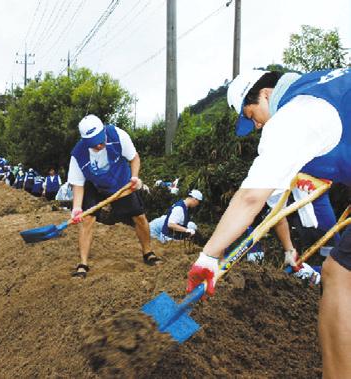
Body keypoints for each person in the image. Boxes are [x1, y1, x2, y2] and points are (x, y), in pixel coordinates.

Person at [185, 68, 351, 378]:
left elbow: (250, 199)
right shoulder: (320, 83)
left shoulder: (293, 116)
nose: (257, 125)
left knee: (339, 276)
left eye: (252, 115)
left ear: (265, 93)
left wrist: (208, 257)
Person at [68, 114, 159, 278]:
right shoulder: (78, 154)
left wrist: (135, 177)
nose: (100, 145)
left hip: (120, 181)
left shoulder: (117, 135)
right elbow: (78, 185)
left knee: (139, 216)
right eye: (95, 144)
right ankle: (83, 264)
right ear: (85, 142)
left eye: (101, 140)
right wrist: (76, 208)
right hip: (94, 183)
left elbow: (134, 158)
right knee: (87, 219)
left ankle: (148, 252)